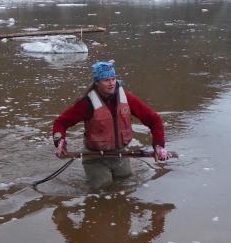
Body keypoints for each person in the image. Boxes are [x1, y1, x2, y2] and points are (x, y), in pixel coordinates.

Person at [52, 60, 168, 189]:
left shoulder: (127, 99)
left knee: (127, 185)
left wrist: (159, 145)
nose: (112, 83)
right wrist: (60, 143)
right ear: (97, 83)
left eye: (113, 79)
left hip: (120, 154)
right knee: (102, 186)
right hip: (94, 157)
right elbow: (61, 122)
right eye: (106, 80)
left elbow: (153, 119)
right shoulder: (86, 103)